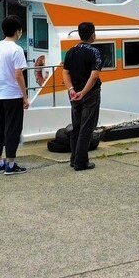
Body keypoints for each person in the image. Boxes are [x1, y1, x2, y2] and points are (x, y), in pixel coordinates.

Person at [0, 15, 30, 175]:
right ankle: (11, 163)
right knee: (12, 129)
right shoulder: (16, 49)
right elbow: (18, 74)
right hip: (12, 95)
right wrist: (25, 96)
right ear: (18, 31)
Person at [62, 22, 104, 171]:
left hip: (74, 94)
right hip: (89, 94)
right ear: (93, 34)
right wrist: (84, 92)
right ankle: (81, 162)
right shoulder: (95, 52)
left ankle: (74, 158)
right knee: (87, 127)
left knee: (76, 126)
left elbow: (65, 72)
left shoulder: (71, 51)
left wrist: (72, 89)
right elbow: (94, 76)